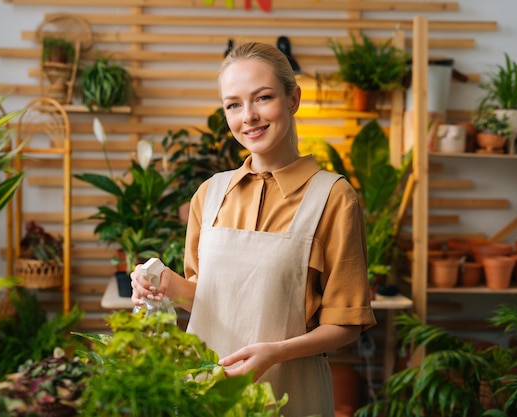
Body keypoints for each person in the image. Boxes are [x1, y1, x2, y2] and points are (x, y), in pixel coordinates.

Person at [130, 41, 377, 417]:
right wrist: (161, 282)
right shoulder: (209, 194)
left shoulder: (334, 197)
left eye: (262, 98)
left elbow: (346, 324)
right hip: (208, 392)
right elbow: (208, 301)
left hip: (292, 394)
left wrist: (276, 352)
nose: (248, 116)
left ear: (292, 99)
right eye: (233, 104)